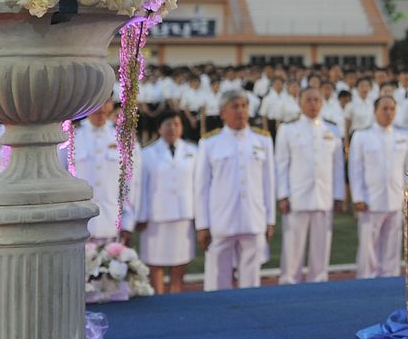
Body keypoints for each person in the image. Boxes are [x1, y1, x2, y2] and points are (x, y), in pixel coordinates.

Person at [194, 91, 276, 291]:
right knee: (216, 279)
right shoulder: (209, 143)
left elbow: (269, 183)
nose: (241, 111)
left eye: (244, 106)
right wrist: (202, 224)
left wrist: (270, 220)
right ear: (223, 113)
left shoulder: (262, 140)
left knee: (251, 280)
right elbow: (201, 188)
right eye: (235, 106)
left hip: (253, 218)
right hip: (221, 219)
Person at [276, 84, 346, 284]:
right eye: (308, 100)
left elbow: (338, 167)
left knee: (321, 249)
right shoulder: (288, 129)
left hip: (323, 196)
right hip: (297, 197)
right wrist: (283, 195)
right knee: (292, 249)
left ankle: (319, 283)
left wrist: (338, 195)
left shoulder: (332, 129)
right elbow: (281, 165)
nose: (313, 104)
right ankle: (289, 283)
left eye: (317, 100)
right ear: (299, 103)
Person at [348, 95, 408, 278]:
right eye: (384, 109)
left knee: (393, 244)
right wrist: (358, 197)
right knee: (368, 246)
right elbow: (355, 169)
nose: (388, 113)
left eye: (392, 109)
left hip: (395, 198)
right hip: (371, 199)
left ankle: (389, 277)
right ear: (375, 111)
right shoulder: (362, 136)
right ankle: (366, 279)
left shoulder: (404, 137)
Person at [132, 113, 198, 293]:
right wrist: (141, 215)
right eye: (168, 124)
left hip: (183, 215)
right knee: (155, 262)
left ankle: (176, 297)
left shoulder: (193, 151)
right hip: (156, 216)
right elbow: (141, 187)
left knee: (180, 261)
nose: (172, 128)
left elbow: (198, 186)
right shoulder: (147, 153)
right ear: (159, 128)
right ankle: (158, 298)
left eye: (176, 124)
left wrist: (199, 217)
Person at [72, 100, 125, 241]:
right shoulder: (72, 135)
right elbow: (61, 176)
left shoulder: (121, 136)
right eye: (96, 101)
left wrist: (128, 222)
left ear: (111, 104)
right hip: (78, 220)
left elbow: (130, 182)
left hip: (111, 220)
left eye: (105, 102)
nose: (100, 108)